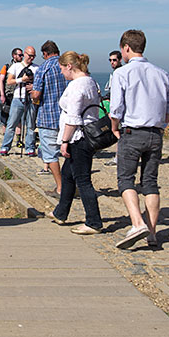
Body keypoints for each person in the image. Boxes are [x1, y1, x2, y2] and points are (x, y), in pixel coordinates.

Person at [109, 30, 169, 249]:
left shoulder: (123, 73)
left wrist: (114, 129)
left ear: (126, 48)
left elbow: (116, 108)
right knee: (150, 182)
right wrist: (163, 122)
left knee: (126, 179)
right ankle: (152, 232)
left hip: (132, 131)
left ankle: (137, 222)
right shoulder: (161, 73)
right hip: (155, 132)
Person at [51, 52, 104, 236]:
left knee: (82, 179)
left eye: (61, 69)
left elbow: (73, 117)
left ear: (69, 66)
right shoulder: (91, 81)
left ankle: (94, 221)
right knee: (67, 174)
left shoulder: (77, 85)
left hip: (78, 137)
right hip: (87, 135)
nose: (61, 73)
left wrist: (64, 141)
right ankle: (61, 212)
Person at [31, 41, 66, 196]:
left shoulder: (43, 68)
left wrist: (33, 95)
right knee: (70, 154)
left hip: (48, 117)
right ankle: (71, 185)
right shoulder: (68, 66)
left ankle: (60, 187)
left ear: (45, 53)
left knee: (51, 155)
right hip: (68, 118)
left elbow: (37, 95)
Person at [0, 46, 37, 156]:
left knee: (30, 125)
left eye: (33, 56)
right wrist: (22, 80)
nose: (31, 58)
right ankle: (5, 147)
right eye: (30, 55)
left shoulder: (37, 68)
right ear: (25, 54)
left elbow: (40, 83)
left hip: (30, 99)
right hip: (18, 98)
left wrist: (33, 86)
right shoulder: (16, 66)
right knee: (11, 124)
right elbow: (9, 81)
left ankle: (30, 148)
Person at [0, 48, 23, 131]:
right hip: (8, 94)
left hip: (18, 94)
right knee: (5, 118)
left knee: (18, 119)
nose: (21, 57)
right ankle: (5, 136)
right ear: (14, 56)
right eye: (20, 55)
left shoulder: (23, 66)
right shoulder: (7, 66)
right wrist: (2, 94)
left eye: (22, 55)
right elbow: (1, 80)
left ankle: (18, 141)